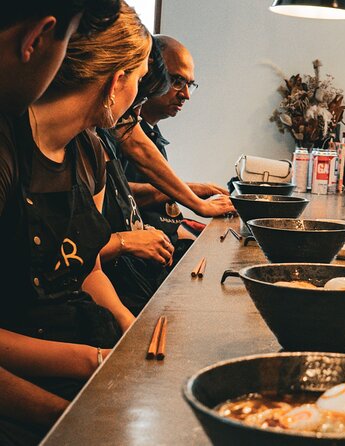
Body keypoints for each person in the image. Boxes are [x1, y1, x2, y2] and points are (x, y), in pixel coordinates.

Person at [0, 3, 148, 443]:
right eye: (137, 78)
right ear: (116, 79)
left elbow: (86, 268)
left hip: (81, 351)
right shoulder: (9, 148)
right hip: (26, 384)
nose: (138, 95)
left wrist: (127, 323)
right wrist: (91, 363)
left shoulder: (91, 152)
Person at [122, 35, 232, 259]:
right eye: (177, 81)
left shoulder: (145, 131)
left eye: (190, 84)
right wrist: (194, 196)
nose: (186, 95)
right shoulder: (111, 128)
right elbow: (116, 195)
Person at [96, 36, 175, 315]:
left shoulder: (95, 143)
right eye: (140, 82)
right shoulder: (93, 141)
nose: (136, 111)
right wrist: (126, 241)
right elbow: (81, 259)